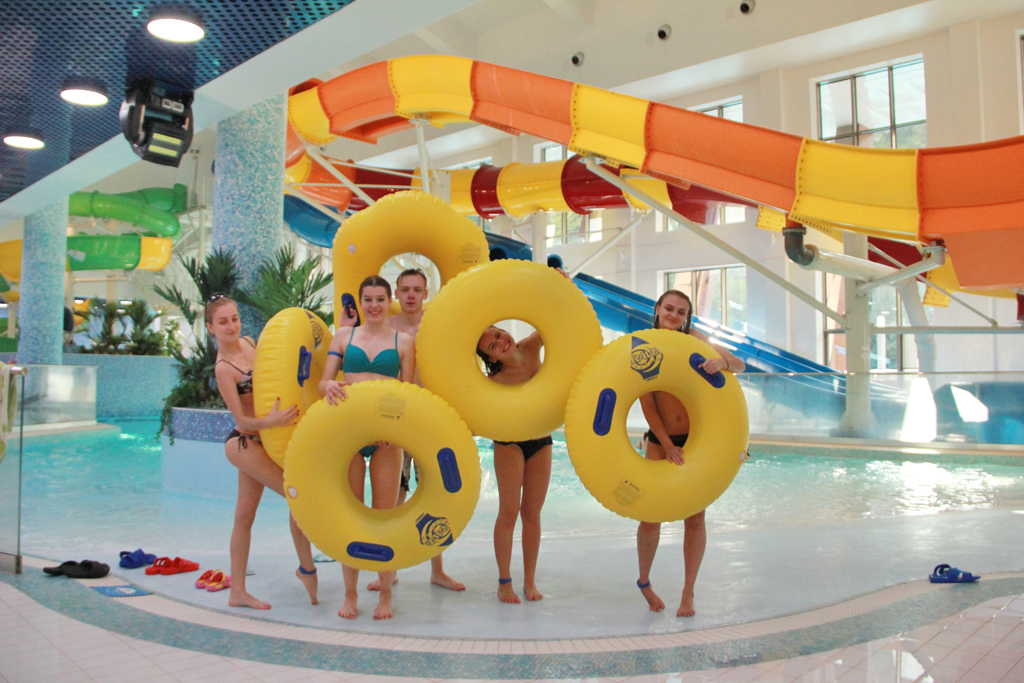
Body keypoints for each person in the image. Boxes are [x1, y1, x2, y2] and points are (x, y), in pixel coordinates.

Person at [636, 289, 745, 618]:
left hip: (698, 440)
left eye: (681, 312)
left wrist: (722, 362)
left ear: (687, 317)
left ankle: (688, 591)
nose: (674, 315)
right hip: (661, 441)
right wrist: (667, 445)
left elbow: (739, 364)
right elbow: (647, 403)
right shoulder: (644, 344)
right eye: (669, 308)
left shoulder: (695, 339)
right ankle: (644, 582)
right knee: (650, 515)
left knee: (695, 518)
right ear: (657, 309)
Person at [207, 295, 318, 610]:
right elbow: (241, 420)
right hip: (244, 443)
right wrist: (270, 422)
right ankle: (306, 568)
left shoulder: (249, 343)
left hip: (269, 440)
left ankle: (237, 592)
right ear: (211, 328)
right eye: (223, 322)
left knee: (244, 517)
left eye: (234, 318)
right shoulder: (224, 369)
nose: (231, 326)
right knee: (297, 494)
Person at [319, 275, 415, 620]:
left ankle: (385, 595)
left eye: (380, 299)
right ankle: (350, 595)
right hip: (350, 436)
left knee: (383, 518)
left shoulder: (403, 341)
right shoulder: (344, 336)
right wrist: (330, 385)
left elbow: (407, 394)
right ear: (360, 303)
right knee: (352, 515)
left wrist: (392, 430)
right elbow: (323, 382)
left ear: (389, 301)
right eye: (368, 300)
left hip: (387, 439)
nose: (374, 306)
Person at [364, 268, 464, 592]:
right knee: (395, 496)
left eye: (416, 290)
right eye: (405, 289)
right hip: (395, 420)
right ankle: (389, 571)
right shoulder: (386, 326)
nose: (410, 295)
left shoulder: (435, 325)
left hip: (429, 419)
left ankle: (438, 570)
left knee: (434, 494)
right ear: (397, 293)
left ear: (425, 293)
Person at [476, 325, 553, 604]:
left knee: (532, 513)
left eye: (499, 335)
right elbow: (477, 417)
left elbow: (553, 320)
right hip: (509, 443)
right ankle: (504, 582)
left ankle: (529, 581)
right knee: (508, 512)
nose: (501, 342)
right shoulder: (494, 381)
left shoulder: (530, 346)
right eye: (492, 346)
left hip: (541, 439)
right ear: (492, 358)